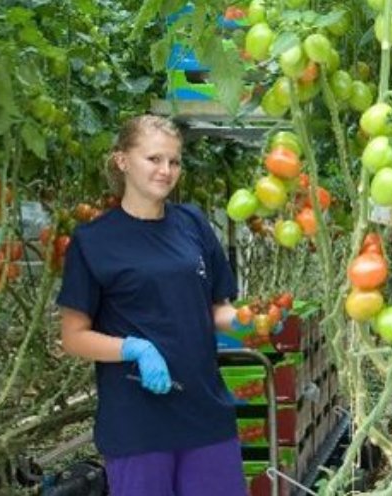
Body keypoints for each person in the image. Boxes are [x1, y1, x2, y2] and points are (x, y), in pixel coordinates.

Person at [56, 115, 248, 496]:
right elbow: (73, 337)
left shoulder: (192, 224)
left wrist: (250, 320)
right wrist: (134, 348)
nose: (166, 170)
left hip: (204, 411)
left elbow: (215, 310)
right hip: (137, 423)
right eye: (154, 159)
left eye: (174, 162)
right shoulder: (94, 241)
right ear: (122, 160)